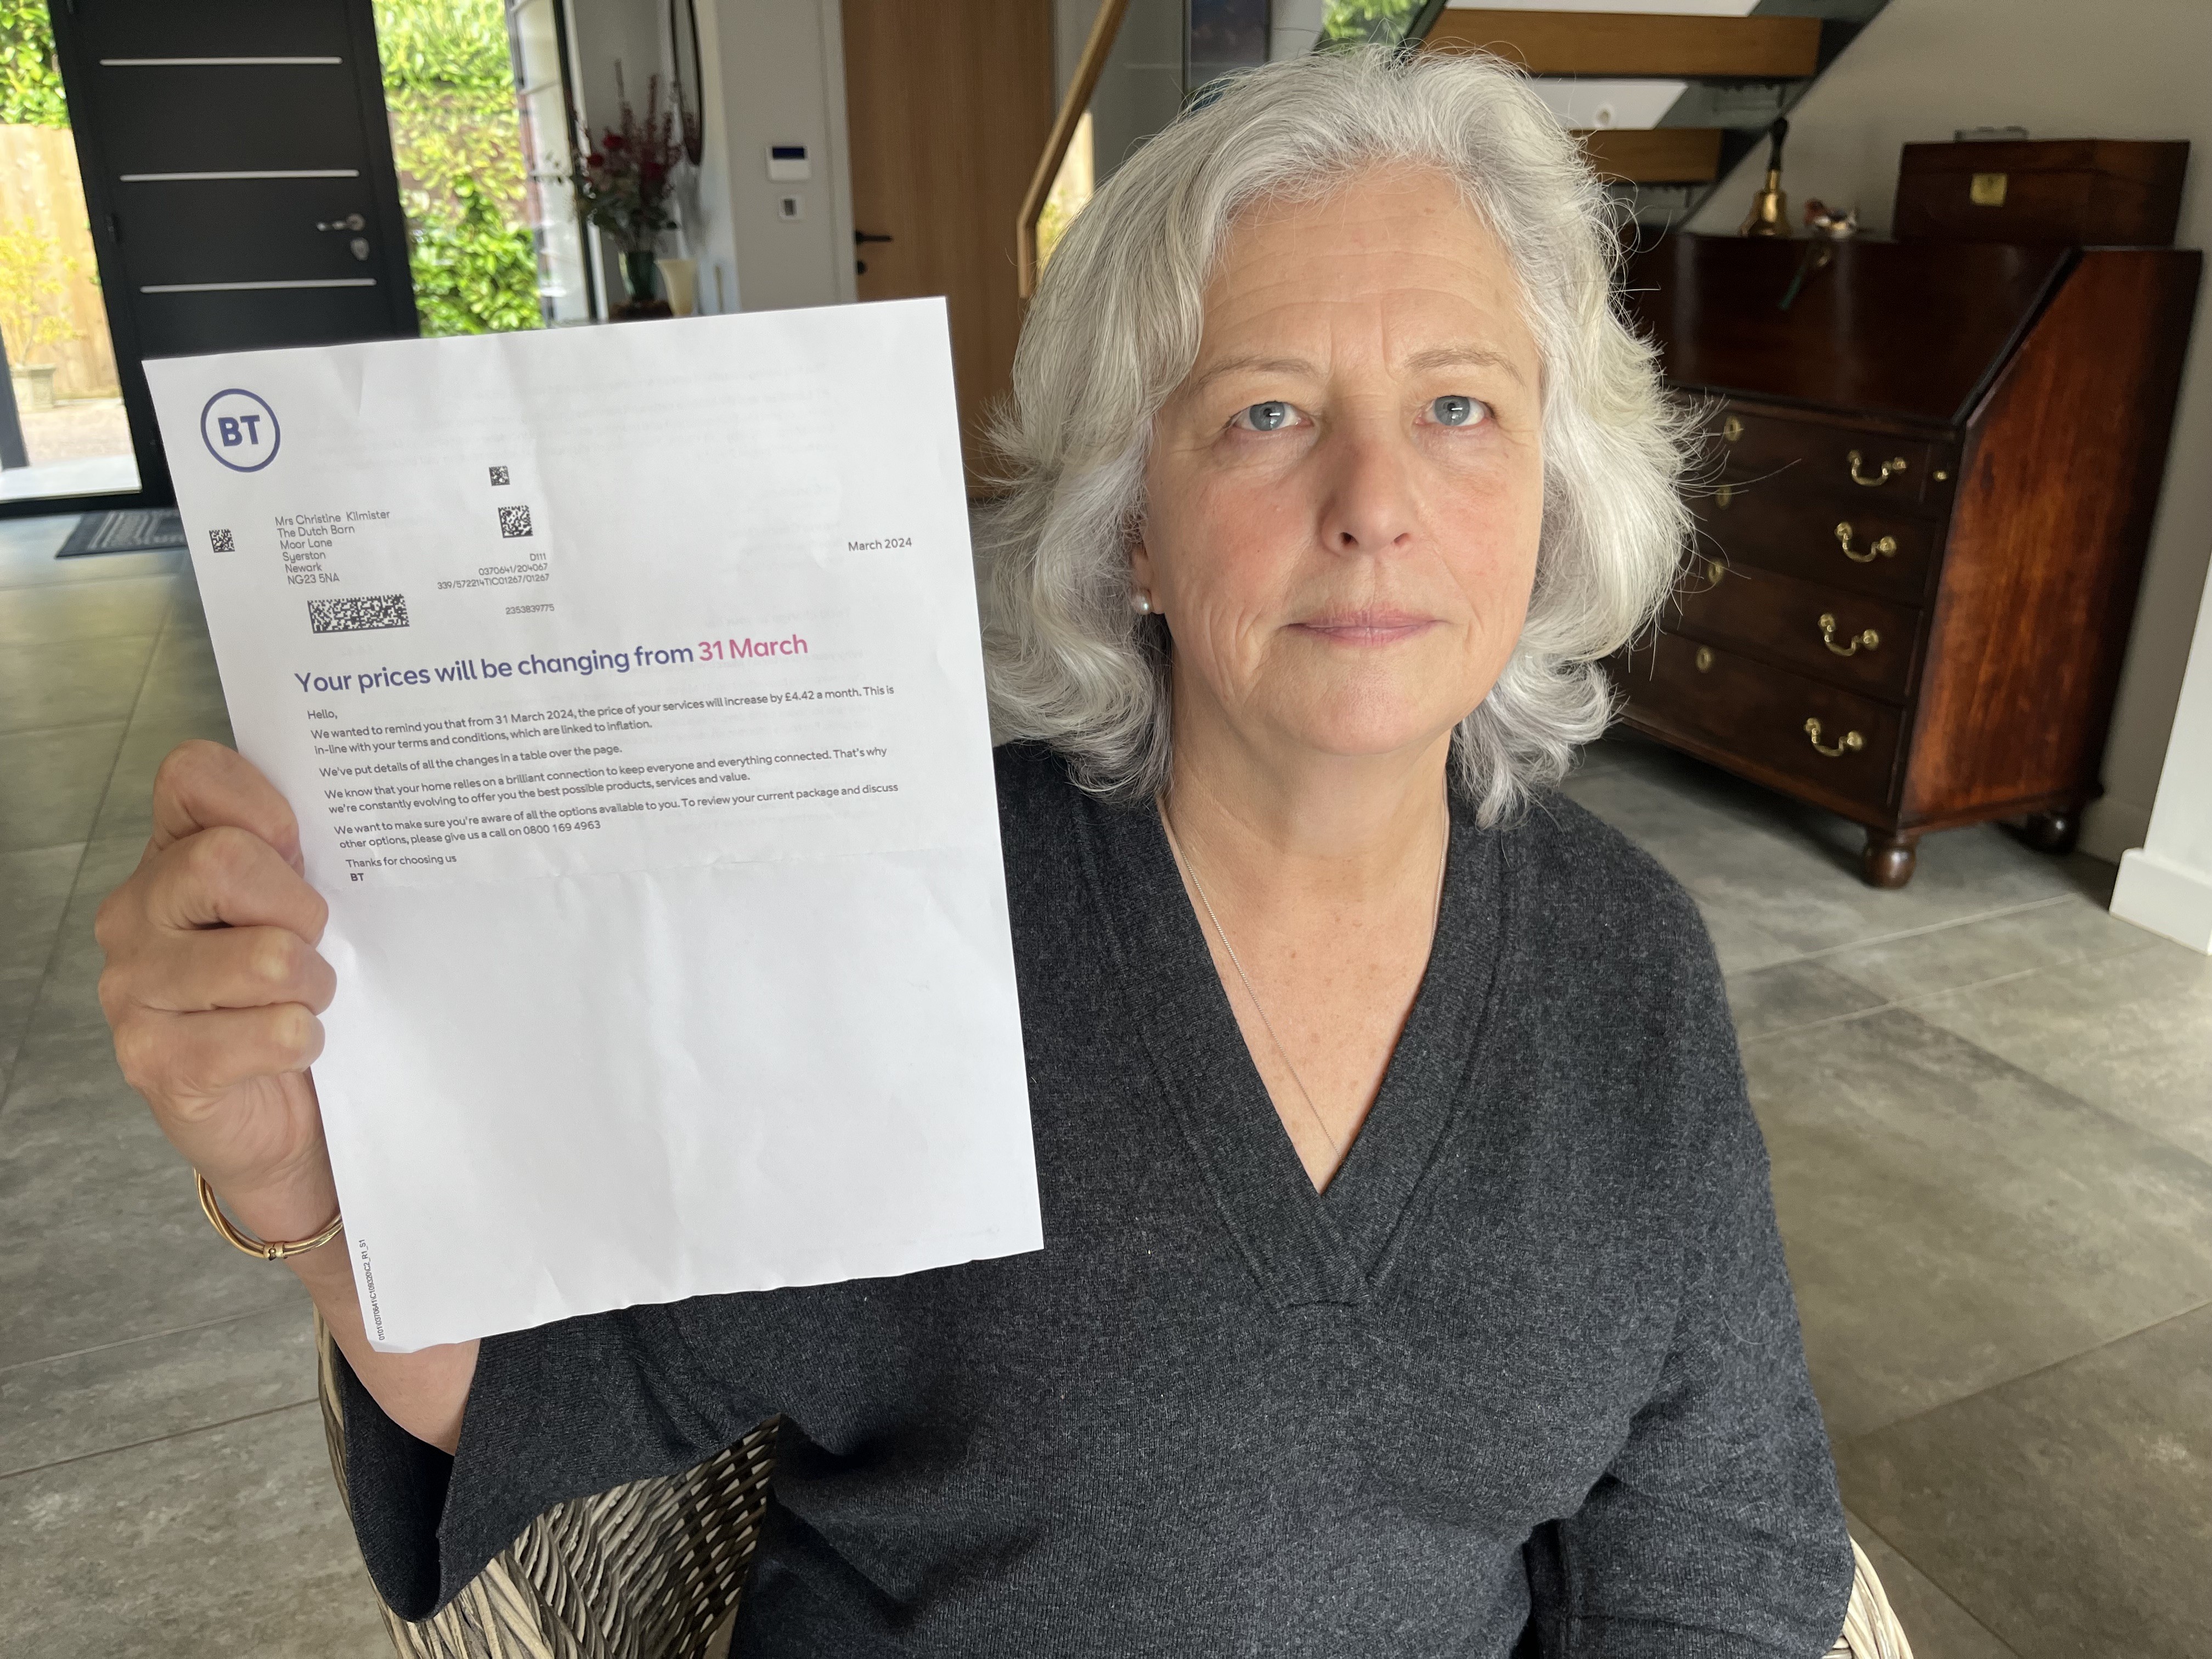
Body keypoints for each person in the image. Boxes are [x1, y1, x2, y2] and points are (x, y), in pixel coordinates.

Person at [95, 47, 1853, 1657]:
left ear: (1555, 485)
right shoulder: (908, 913)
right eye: (1266, 413)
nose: (1375, 504)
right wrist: (297, 1180)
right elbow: (542, 1382)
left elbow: (1721, 1553)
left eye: (1459, 407)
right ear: (1133, 526)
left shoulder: (1630, 966)